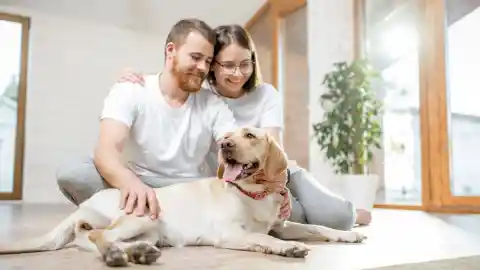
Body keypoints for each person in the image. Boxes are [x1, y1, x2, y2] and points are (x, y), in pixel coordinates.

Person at [117, 24, 371, 229]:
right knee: (284, 222)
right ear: (212, 66)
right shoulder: (202, 94)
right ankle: (316, 213)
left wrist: (278, 188)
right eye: (228, 65)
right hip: (237, 183)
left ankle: (352, 213)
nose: (238, 74)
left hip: (278, 172)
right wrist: (133, 76)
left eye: (245, 63)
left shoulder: (266, 95)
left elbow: (273, 147)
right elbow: (171, 81)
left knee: (338, 219)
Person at [56, 18, 244, 220]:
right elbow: (106, 150)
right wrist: (130, 183)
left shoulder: (212, 104)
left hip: (191, 190)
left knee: (280, 171)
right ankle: (155, 214)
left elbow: (232, 142)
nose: (202, 68)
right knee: (73, 172)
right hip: (142, 182)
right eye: (196, 57)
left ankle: (142, 217)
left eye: (207, 61)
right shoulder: (131, 90)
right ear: (171, 50)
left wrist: (231, 160)